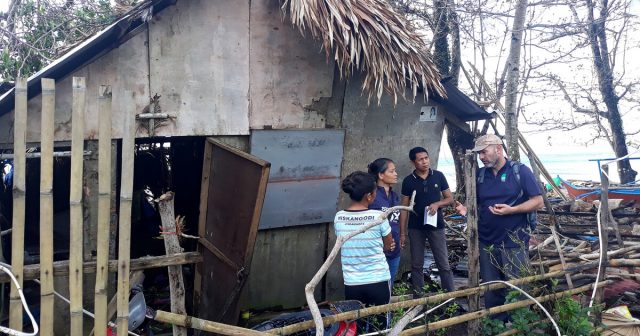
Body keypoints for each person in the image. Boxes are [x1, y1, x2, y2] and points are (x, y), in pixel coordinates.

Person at [456, 134, 543, 321]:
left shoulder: (520, 171)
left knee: (517, 287)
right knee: (491, 288)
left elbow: (538, 201)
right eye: (479, 154)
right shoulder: (479, 175)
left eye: (484, 152)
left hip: (514, 240)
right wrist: (466, 210)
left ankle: (519, 325)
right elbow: (474, 203)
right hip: (487, 241)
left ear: (498, 149)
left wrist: (513, 210)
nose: (481, 157)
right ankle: (495, 325)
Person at [335, 171, 395, 331]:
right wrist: (383, 247)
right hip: (378, 281)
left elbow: (346, 242)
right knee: (381, 325)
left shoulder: (339, 217)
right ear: (369, 196)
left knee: (357, 326)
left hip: (352, 283)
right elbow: (389, 246)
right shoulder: (379, 216)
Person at [399, 147, 455, 296]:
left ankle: (450, 299)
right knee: (417, 264)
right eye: (420, 159)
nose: (424, 162)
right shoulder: (408, 181)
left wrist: (437, 204)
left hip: (437, 226)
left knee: (443, 263)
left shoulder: (438, 176)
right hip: (415, 228)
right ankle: (419, 299)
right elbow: (404, 208)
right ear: (413, 162)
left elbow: (450, 198)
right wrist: (402, 233)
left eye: (426, 158)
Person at [367, 158, 401, 285]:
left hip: (395, 249)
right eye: (392, 171)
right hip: (376, 251)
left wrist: (401, 236)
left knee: (389, 285)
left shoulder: (395, 196)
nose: (396, 174)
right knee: (375, 286)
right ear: (381, 175)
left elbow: (396, 221)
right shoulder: (371, 197)